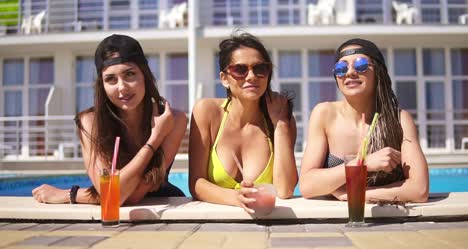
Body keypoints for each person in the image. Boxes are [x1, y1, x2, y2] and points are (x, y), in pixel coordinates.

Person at [32, 34, 188, 205]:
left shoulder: (174, 120)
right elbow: (112, 195)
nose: (122, 87)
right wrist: (155, 138)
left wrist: (71, 195)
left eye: (130, 74)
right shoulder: (90, 122)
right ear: (102, 85)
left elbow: (129, 196)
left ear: (145, 75)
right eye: (111, 79)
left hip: (163, 208)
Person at [299, 38, 429, 203]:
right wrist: (362, 164)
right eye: (341, 68)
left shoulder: (399, 120)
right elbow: (307, 185)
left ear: (378, 72)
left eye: (360, 65)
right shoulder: (324, 114)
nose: (350, 72)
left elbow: (419, 190)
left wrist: (356, 195)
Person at [189, 31, 298, 213]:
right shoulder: (207, 112)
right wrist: (235, 198)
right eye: (240, 69)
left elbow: (285, 190)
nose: (251, 76)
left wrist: (280, 125)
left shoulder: (280, 121)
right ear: (224, 79)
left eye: (260, 68)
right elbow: (196, 183)